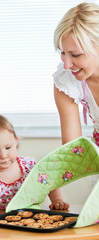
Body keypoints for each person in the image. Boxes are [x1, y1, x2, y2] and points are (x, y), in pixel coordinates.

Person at [0, 114, 69, 215]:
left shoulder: (29, 166)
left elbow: (48, 182)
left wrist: (57, 200)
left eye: (8, 148)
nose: (3, 155)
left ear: (16, 141)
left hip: (30, 214)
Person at [53, 2, 99, 146]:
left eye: (75, 55)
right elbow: (72, 150)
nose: (67, 65)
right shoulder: (66, 81)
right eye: (62, 52)